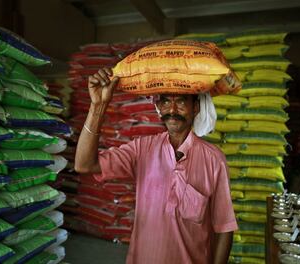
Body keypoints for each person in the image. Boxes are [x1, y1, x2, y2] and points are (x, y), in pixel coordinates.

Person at [75, 67, 238, 264]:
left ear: (196, 107)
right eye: (166, 101)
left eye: (180, 101)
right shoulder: (143, 148)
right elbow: (84, 165)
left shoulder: (214, 160)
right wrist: (98, 106)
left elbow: (224, 228)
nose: (172, 110)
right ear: (159, 106)